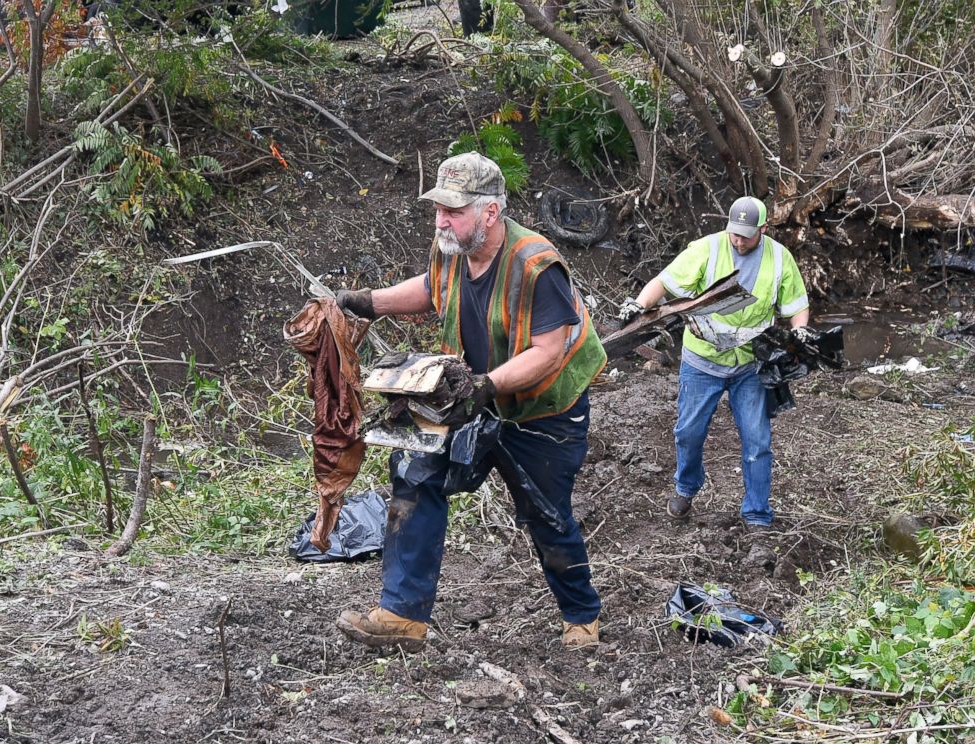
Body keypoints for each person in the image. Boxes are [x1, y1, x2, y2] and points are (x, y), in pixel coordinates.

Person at [333, 152, 607, 652]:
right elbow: (430, 288)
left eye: (453, 210)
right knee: (415, 475)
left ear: (490, 212)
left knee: (546, 513)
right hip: (471, 395)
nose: (442, 219)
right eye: (439, 208)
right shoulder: (452, 246)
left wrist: (485, 388)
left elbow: (547, 352)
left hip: (542, 410)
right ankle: (401, 615)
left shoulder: (537, 265)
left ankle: (581, 615)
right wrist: (366, 301)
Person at [621, 196, 809, 532]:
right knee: (688, 433)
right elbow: (663, 283)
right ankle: (686, 488)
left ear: (763, 229)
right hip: (702, 362)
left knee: (757, 440)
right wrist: (637, 305)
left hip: (749, 364)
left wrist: (801, 333)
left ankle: (756, 513)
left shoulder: (780, 259)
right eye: (734, 233)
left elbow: (796, 306)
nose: (738, 241)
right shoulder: (706, 250)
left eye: (746, 236)